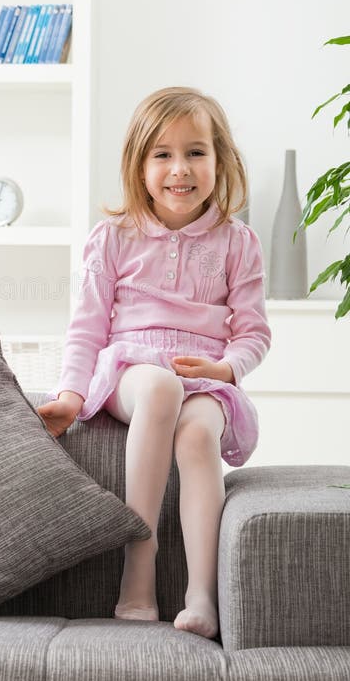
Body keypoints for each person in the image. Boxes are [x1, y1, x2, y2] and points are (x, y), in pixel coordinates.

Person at [36, 86, 271, 639]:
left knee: (195, 439)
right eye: (162, 154)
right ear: (139, 166)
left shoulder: (239, 243)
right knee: (162, 389)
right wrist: (70, 394)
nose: (179, 169)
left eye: (195, 152)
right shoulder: (113, 238)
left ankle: (202, 596)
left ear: (221, 161)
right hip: (132, 369)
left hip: (205, 377)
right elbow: (87, 327)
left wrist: (226, 369)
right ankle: (138, 564)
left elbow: (254, 331)